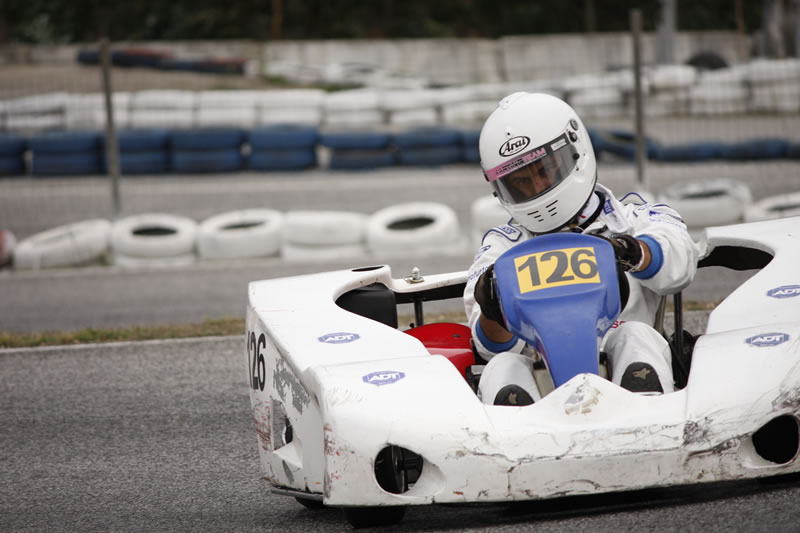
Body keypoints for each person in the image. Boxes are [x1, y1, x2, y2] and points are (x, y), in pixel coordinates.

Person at [464, 92, 699, 406]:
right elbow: (489, 347)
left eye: (544, 171)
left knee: (634, 336)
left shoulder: (633, 219)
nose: (535, 189)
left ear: (576, 153)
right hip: (543, 387)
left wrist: (633, 253)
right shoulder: (501, 247)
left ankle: (644, 417)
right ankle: (520, 441)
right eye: (519, 182)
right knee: (501, 366)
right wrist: (493, 307)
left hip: (625, 366)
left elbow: (680, 263)